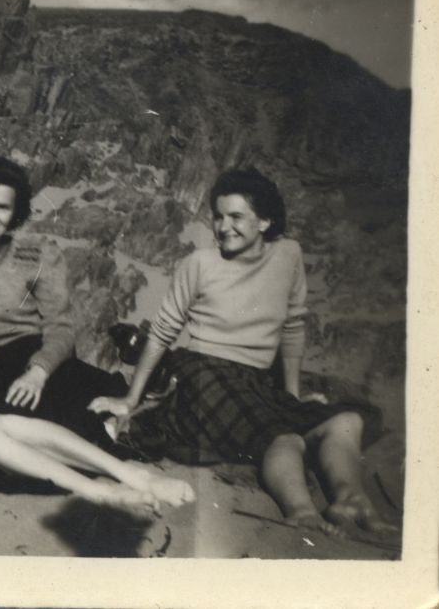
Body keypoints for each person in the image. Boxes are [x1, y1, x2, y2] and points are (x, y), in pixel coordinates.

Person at [90, 167, 394, 535]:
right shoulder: (199, 265)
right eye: (218, 216)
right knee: (282, 438)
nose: (222, 226)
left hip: (255, 379)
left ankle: (350, 498)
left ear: (265, 220)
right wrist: (130, 398)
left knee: (347, 422)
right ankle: (301, 511)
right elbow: (163, 332)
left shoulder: (288, 256)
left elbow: (293, 326)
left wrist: (292, 394)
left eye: (236, 216)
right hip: (202, 372)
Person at [0, 151, 195, 512]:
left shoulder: (37, 254)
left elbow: (62, 328)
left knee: (9, 423)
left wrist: (38, 371)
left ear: (14, 211)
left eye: (2, 207)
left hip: (34, 363)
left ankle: (130, 475)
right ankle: (98, 490)